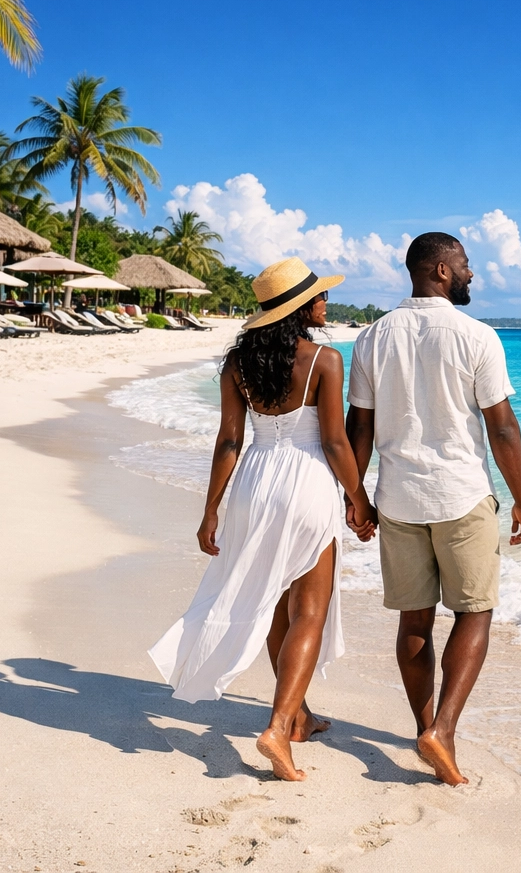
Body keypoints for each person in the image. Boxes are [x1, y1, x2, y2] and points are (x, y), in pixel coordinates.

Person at [150, 257, 377, 782]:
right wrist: (358, 499)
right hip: (305, 483)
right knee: (310, 612)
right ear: (300, 308)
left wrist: (211, 509)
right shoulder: (324, 360)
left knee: (276, 608)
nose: (326, 303)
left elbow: (230, 439)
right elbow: (335, 441)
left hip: (254, 482)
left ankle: (299, 715)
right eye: (319, 297)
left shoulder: (238, 364)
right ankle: (278, 727)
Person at [345, 232, 521, 786]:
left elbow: (361, 427)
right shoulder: (478, 336)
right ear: (442, 271)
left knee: (415, 618)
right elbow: (500, 426)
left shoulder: (372, 337)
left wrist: (356, 497)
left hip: (398, 498)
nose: (473, 274)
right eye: (467, 265)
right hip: (460, 496)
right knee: (474, 613)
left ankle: (425, 725)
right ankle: (443, 731)